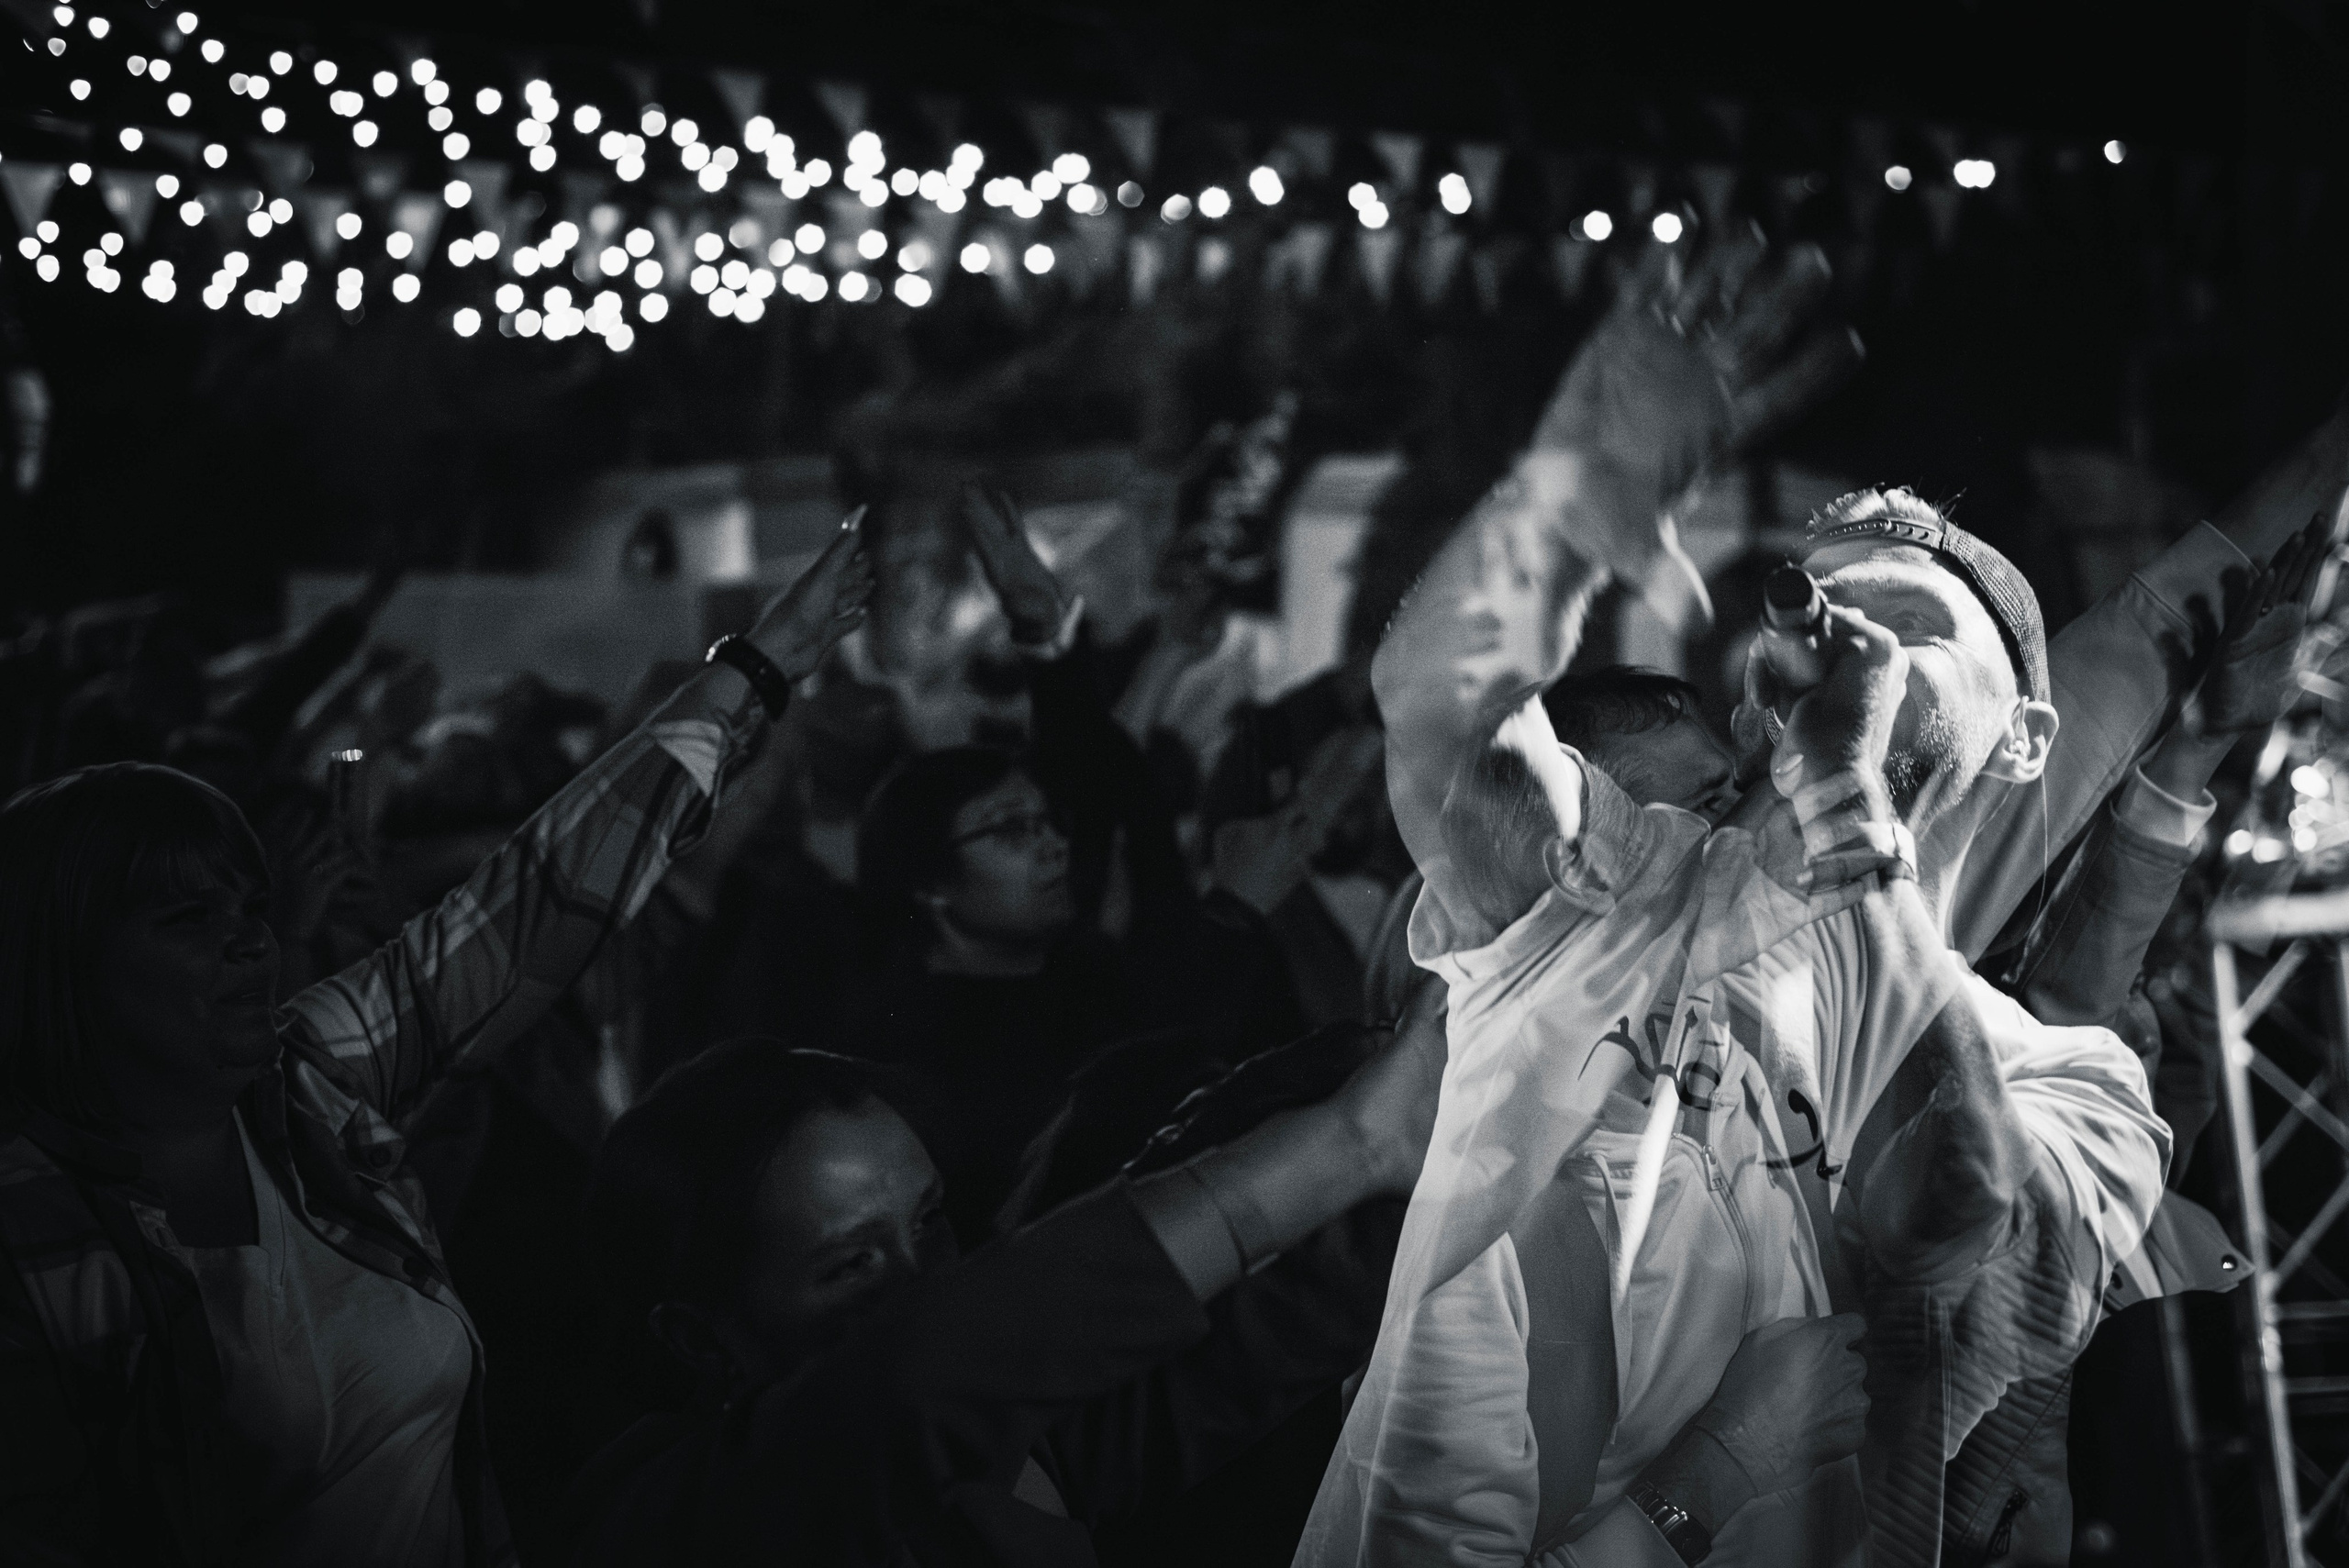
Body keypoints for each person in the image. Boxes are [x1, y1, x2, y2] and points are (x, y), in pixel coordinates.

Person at [1300, 231, 2172, 1568]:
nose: (1847, 643)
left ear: (2025, 740)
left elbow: (1941, 1217)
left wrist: (1852, 810)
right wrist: (1566, 511)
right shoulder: (1625, 894)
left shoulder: (2078, 1083)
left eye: (1913, 629)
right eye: (1816, 614)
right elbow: (1438, 707)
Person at [0, 520, 874, 1565]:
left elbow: (525, 906)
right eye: (188, 918)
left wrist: (758, 668)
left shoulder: (305, 1090)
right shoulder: (34, 1237)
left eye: (250, 901)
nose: (247, 936)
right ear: (65, 960)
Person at [853, 484, 1299, 1241]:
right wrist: (1232, 915)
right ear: (928, 883)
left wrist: (1047, 639)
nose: (1051, 842)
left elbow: (1101, 795)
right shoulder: (917, 1049)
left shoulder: (1073, 971)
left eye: (1042, 821)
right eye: (1007, 828)